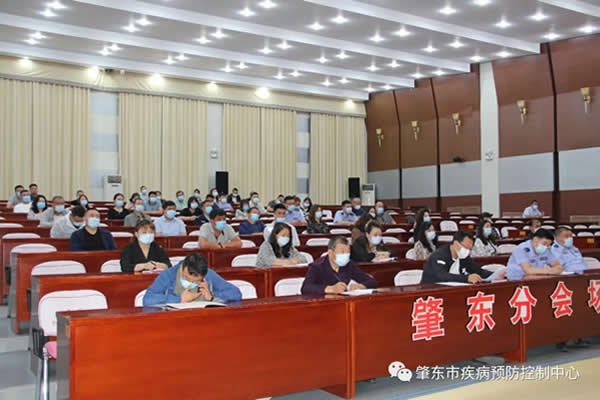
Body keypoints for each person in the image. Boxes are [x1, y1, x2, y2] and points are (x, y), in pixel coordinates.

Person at [143, 253, 242, 305]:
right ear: (183, 267)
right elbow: (148, 299)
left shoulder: (208, 274)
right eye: (187, 278)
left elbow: (236, 293)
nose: (191, 283)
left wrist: (212, 296)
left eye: (196, 281)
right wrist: (179, 299)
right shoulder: (168, 275)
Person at [301, 236, 376, 295]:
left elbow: (371, 281)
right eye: (342, 252)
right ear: (330, 253)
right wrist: (331, 289)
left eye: (348, 252)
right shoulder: (317, 266)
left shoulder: (348, 265)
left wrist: (361, 286)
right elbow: (305, 288)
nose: (346, 255)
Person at [421, 231, 496, 284]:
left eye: (470, 249)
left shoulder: (464, 256)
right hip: (431, 290)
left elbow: (478, 271)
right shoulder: (439, 255)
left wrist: (496, 275)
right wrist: (467, 278)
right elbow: (442, 275)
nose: (467, 251)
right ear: (456, 244)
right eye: (466, 248)